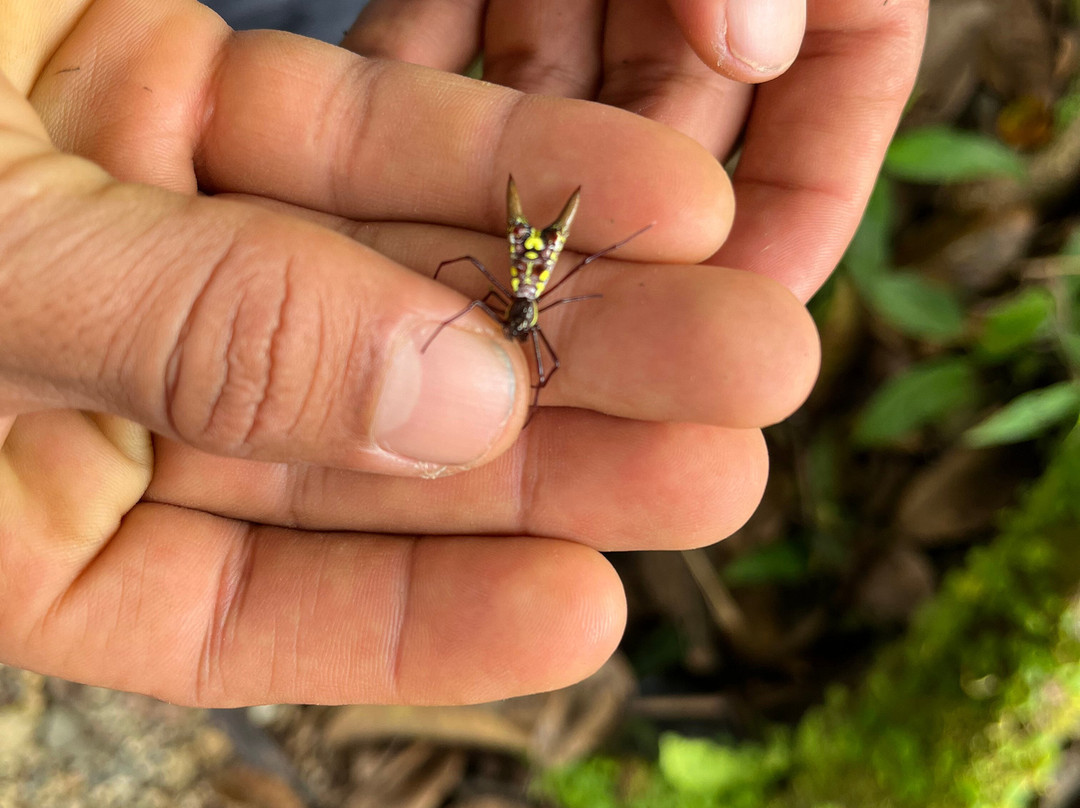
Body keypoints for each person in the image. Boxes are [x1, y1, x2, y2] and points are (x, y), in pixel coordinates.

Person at [0, 0, 927, 706]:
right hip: (467, 219)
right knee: (534, 239)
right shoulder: (520, 307)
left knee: (554, 241)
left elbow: (542, 303)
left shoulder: (527, 302)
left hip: (493, 231)